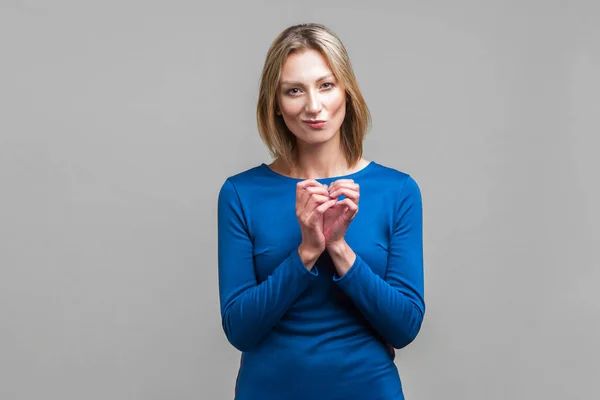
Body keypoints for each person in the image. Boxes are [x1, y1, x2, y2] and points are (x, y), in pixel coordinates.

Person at [217, 23, 425, 400]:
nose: (313, 106)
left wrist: (340, 248)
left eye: (326, 85)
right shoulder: (241, 193)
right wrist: (307, 252)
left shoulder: (397, 191)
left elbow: (405, 327)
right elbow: (240, 331)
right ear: (276, 104)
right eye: (294, 91)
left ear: (347, 92)